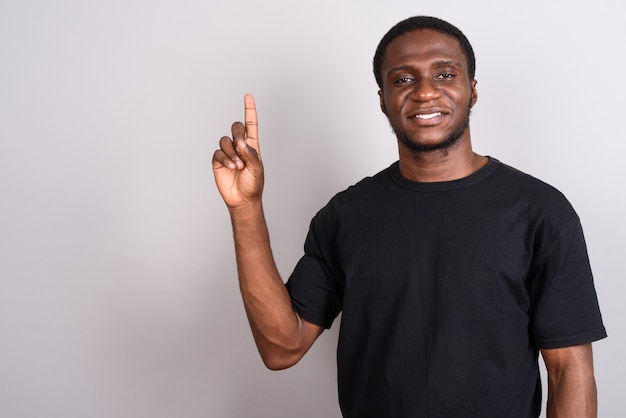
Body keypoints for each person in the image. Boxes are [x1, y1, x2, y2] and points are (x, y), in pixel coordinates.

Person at [212, 16, 606, 418]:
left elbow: (569, 373)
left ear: (472, 90)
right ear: (382, 99)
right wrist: (245, 210)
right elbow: (282, 347)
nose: (425, 92)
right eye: (403, 79)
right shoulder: (346, 216)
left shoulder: (540, 212)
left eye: (445, 74)